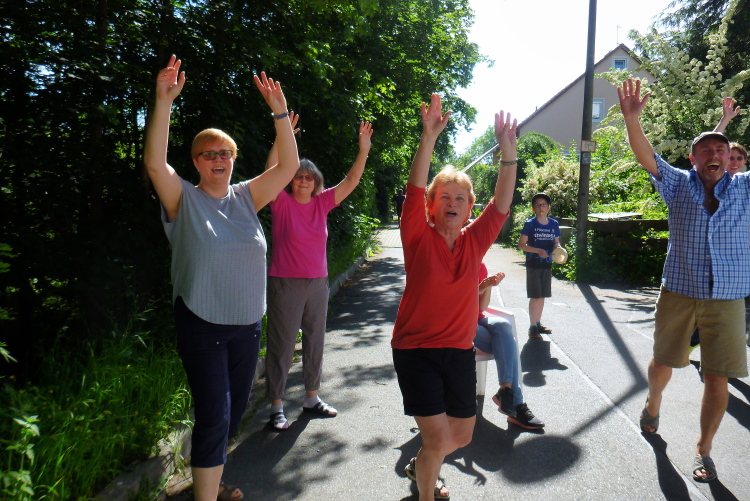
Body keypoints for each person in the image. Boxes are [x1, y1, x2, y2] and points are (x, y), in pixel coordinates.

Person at [144, 55, 299, 501]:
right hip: (201, 322)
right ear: (196, 161)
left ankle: (209, 477)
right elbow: (155, 163)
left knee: (230, 415)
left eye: (225, 153)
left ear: (234, 159)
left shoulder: (247, 196)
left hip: (247, 326)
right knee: (215, 414)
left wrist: (280, 113)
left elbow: (288, 168)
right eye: (209, 153)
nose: (218, 158)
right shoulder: (183, 198)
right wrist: (163, 101)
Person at [618, 78, 750, 483]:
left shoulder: (745, 188)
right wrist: (631, 119)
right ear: (693, 159)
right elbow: (646, 155)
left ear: (730, 158)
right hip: (679, 292)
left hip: (727, 297)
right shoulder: (678, 184)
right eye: (706, 150)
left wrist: (724, 122)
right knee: (663, 363)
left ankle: (703, 450)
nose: (715, 154)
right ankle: (653, 401)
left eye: (721, 150)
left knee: (718, 376)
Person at [392, 93, 518, 501]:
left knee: (460, 436)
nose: (452, 203)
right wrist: (428, 137)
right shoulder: (417, 235)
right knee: (436, 439)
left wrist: (508, 154)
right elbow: (414, 188)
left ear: (469, 209)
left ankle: (421, 468)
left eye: (460, 198)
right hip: (417, 350)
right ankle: (426, 488)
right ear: (430, 206)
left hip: (459, 351)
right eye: (443, 197)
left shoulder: (475, 240)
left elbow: (502, 204)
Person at [263, 117, 374, 430]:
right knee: (283, 344)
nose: (303, 181)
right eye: (298, 176)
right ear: (291, 180)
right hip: (285, 283)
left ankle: (311, 397)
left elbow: (351, 180)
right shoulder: (280, 201)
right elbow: (271, 171)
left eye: (309, 178)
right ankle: (276, 406)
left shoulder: (322, 203)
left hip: (317, 284)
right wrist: (281, 137)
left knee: (315, 341)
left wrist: (363, 150)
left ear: (316, 183)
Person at [475, 262, 544, 430]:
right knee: (508, 345)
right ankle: (517, 405)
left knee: (504, 326)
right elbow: (450, 303)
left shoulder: (480, 265)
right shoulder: (449, 262)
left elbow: (481, 307)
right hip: (456, 321)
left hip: (476, 319)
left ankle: (505, 390)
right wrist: (478, 289)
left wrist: (488, 286)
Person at [518, 193, 561, 338]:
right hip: (533, 264)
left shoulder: (554, 224)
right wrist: (538, 251)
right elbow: (521, 245)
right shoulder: (530, 224)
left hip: (547, 264)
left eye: (543, 205)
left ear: (549, 207)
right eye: (537, 205)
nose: (541, 208)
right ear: (533, 209)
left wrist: (558, 249)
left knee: (542, 296)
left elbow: (556, 242)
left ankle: (537, 324)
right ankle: (532, 328)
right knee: (535, 296)